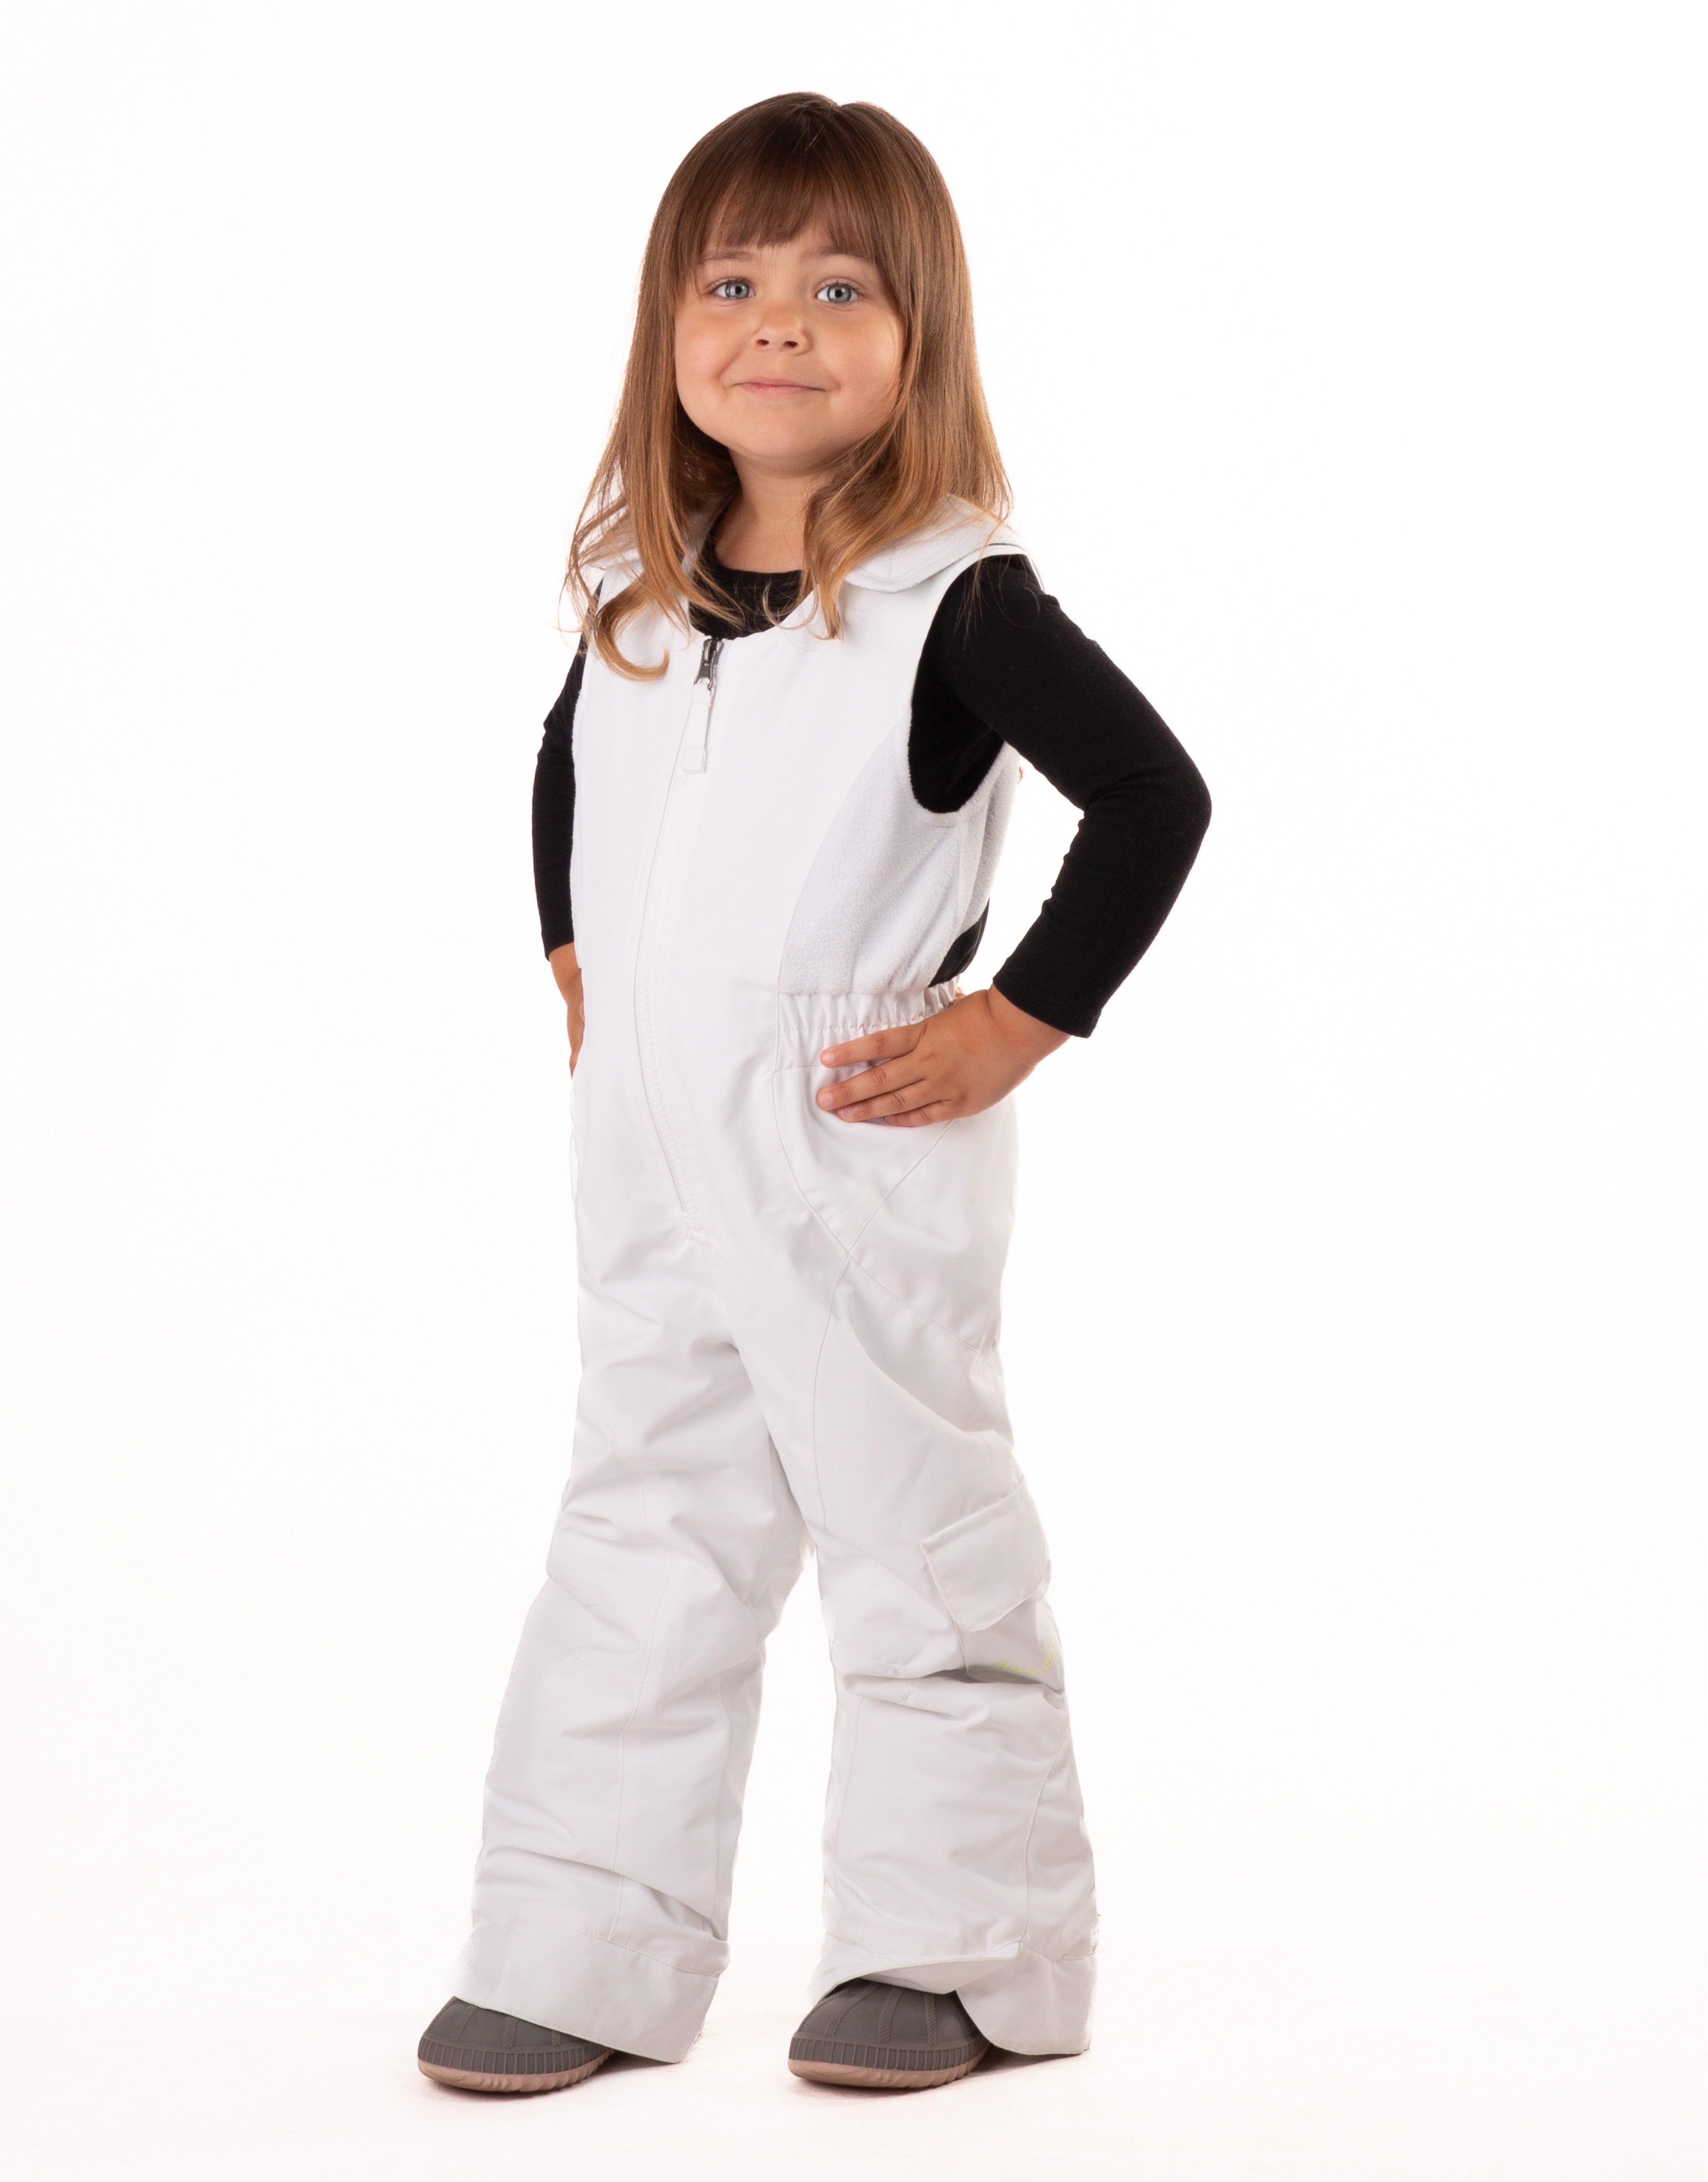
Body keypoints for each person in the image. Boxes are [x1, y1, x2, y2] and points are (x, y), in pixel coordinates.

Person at [417, 90, 1211, 2097]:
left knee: (908, 1519)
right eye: (737, 281)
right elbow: (564, 766)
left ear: (916, 337)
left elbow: (1153, 799)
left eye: (839, 286)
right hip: (650, 1136)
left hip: (859, 1127)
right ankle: (581, 1942)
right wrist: (574, 949)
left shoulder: (958, 604)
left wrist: (1018, 1018)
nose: (781, 322)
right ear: (669, 331)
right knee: (644, 1515)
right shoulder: (641, 598)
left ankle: (967, 1953)